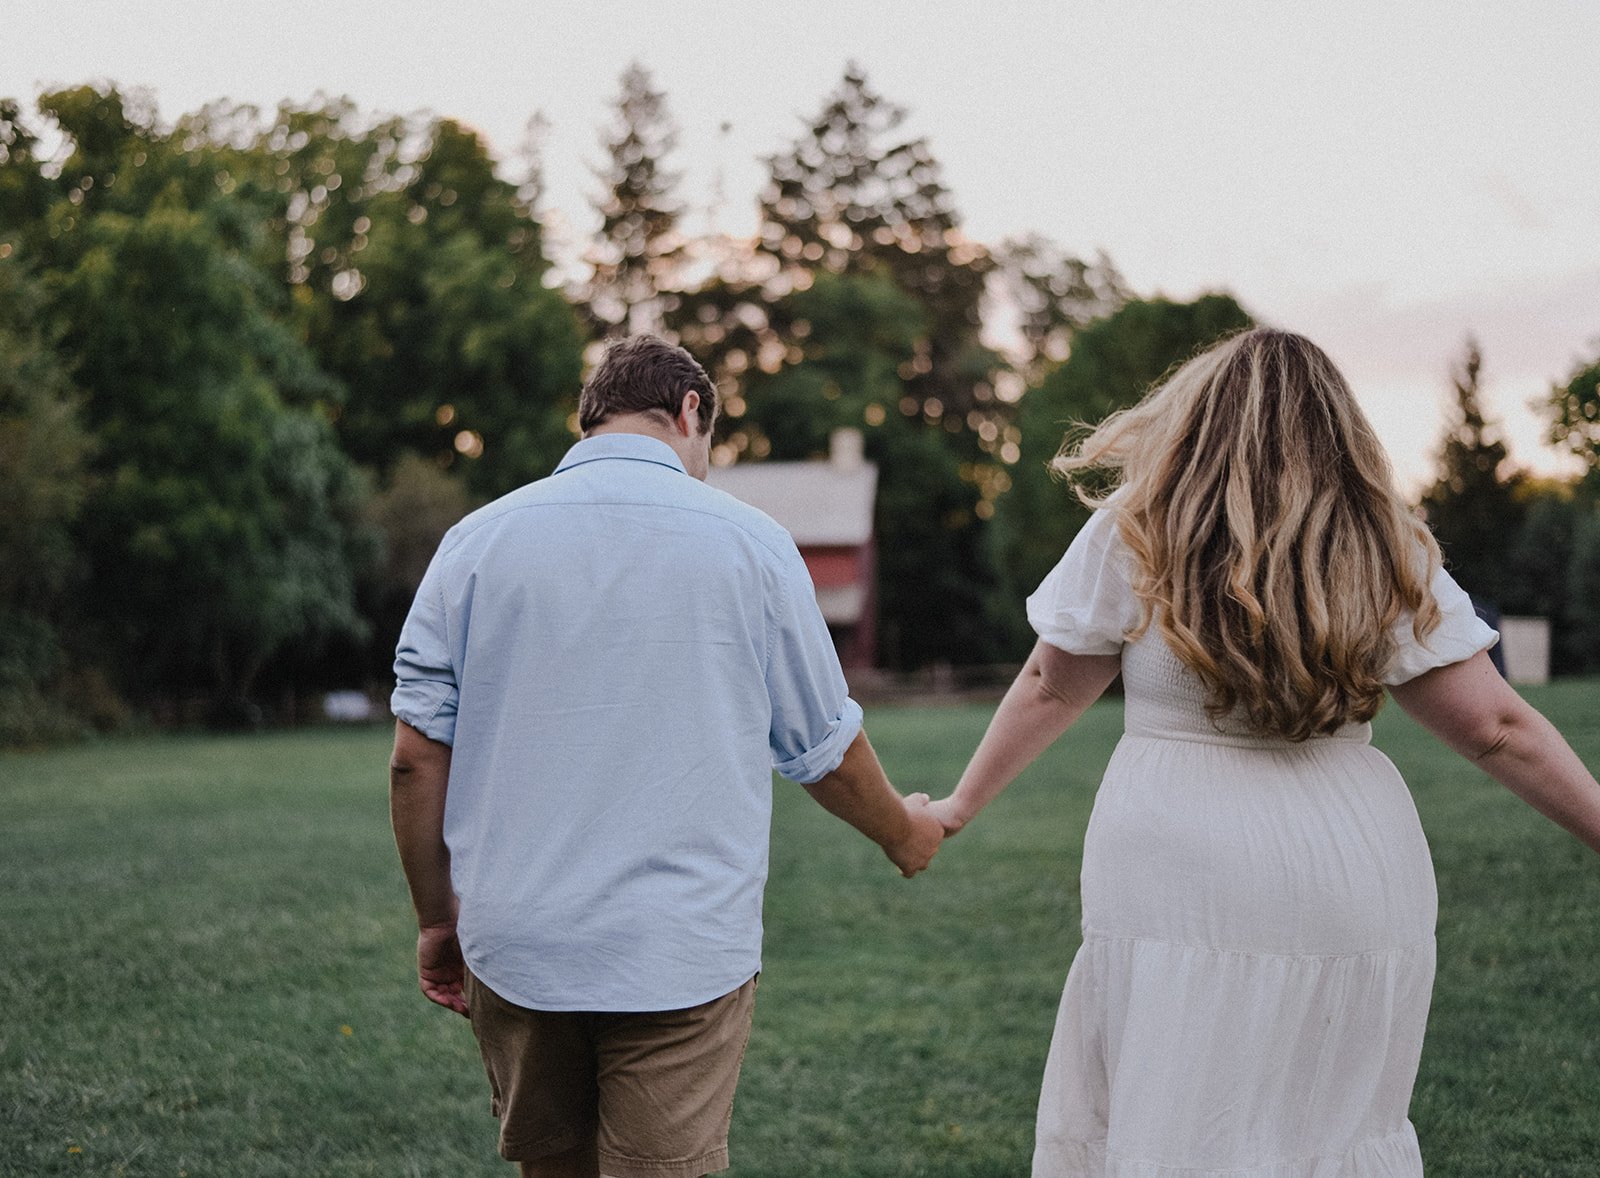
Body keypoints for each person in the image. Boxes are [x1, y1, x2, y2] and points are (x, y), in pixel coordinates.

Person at [927, 328, 1600, 1176]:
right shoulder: (1385, 543)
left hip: (1177, 866)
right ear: (1341, 430)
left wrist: (956, 806)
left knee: (1179, 1117)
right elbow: (1498, 727)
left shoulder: (1135, 529)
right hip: (1350, 868)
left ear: (1194, 420)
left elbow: (1051, 685)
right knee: (1327, 1129)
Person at [389, 334, 944, 1178]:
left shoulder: (475, 543)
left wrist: (438, 922)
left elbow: (414, 761)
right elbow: (822, 747)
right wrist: (905, 833)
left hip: (519, 939)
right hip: (677, 950)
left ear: (590, 421)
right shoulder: (752, 543)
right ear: (691, 411)